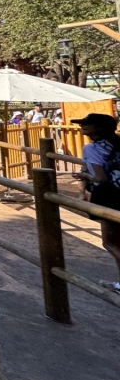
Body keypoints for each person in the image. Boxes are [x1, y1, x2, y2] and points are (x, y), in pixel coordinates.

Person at [71, 113, 120, 293]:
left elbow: (99, 178)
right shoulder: (116, 144)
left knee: (110, 242)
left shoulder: (91, 148)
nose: (82, 126)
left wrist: (85, 177)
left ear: (98, 128)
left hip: (110, 196)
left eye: (87, 124)